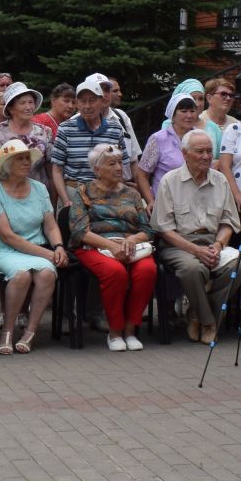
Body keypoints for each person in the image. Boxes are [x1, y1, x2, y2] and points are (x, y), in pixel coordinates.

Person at [0, 139, 68, 353]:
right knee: (22, 275)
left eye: (28, 158)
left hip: (35, 249)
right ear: (7, 165)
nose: (27, 162)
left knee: (47, 274)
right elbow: (8, 237)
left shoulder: (39, 189)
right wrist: (47, 253)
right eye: (20, 159)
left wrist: (58, 247)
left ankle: (30, 331)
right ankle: (8, 331)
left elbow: (51, 224)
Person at [154, 129, 241, 344]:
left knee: (238, 270)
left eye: (209, 152)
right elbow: (164, 229)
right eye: (200, 151)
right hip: (179, 244)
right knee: (194, 268)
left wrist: (219, 245)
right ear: (185, 154)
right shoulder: (170, 181)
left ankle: (196, 311)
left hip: (212, 242)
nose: (205, 156)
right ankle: (209, 322)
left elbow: (228, 222)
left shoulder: (220, 180)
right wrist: (195, 251)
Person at [67, 143, 157, 352]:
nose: (119, 168)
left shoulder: (133, 194)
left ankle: (130, 329)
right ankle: (115, 331)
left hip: (130, 244)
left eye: (120, 163)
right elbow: (79, 231)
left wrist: (131, 241)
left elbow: (148, 229)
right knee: (114, 272)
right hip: (94, 246)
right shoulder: (83, 192)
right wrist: (110, 245)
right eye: (112, 164)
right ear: (97, 170)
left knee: (147, 270)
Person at [47, 75, 124, 208]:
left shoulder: (115, 129)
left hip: (107, 194)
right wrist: (66, 200)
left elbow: (121, 167)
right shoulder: (66, 129)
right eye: (83, 101)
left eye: (92, 100)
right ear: (77, 104)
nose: (87, 106)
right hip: (73, 192)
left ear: (102, 101)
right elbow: (57, 170)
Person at [137, 88, 202, 203]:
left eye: (192, 111)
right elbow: (142, 174)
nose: (189, 115)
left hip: (196, 202)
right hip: (165, 203)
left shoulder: (201, 137)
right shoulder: (158, 139)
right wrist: (151, 201)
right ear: (173, 114)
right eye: (184, 111)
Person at [0, 82, 54, 189]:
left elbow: (51, 172)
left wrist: (52, 201)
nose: (28, 107)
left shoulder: (45, 132)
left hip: (39, 195)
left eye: (31, 102)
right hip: (5, 193)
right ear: (10, 108)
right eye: (22, 103)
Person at [199, 77, 241, 209]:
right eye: (223, 94)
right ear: (209, 98)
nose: (228, 98)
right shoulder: (199, 122)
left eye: (231, 95)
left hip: (232, 185)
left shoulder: (236, 124)